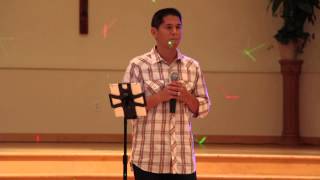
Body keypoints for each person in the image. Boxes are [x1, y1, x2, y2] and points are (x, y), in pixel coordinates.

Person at [123, 7, 210, 180]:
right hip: (149, 159)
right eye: (168, 27)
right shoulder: (138, 65)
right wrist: (158, 97)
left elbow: (205, 108)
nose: (175, 33)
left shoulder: (192, 66)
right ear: (154, 32)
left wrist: (186, 96)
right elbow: (127, 109)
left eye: (178, 27)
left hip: (183, 161)